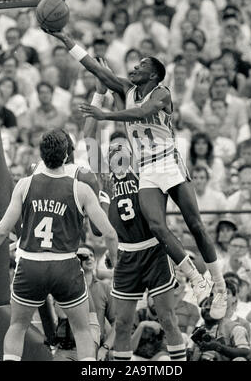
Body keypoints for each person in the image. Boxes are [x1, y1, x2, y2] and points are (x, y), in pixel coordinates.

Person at [43, 28, 228, 320]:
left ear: (153, 75)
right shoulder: (124, 91)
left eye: (141, 66)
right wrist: (65, 39)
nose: (134, 67)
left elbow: (141, 114)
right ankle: (195, 278)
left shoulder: (161, 93)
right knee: (156, 224)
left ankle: (220, 284)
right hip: (148, 169)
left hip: (169, 161)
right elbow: (93, 67)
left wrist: (106, 115)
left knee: (195, 224)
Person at [0, 129, 118, 361]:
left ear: (41, 155)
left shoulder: (24, 185)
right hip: (64, 265)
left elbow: (1, 230)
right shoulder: (81, 188)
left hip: (31, 264)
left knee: (16, 327)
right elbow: (108, 233)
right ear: (67, 156)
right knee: (83, 331)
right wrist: (115, 261)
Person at [82, 82, 189, 362]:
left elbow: (141, 122)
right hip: (127, 255)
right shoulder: (104, 177)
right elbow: (89, 134)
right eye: (112, 150)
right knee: (121, 324)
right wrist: (99, 93)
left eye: (121, 147)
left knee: (167, 319)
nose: (116, 152)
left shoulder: (145, 167)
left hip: (153, 250)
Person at [189, 281, 251, 361]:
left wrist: (217, 347)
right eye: (205, 305)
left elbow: (245, 352)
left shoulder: (235, 328)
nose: (208, 308)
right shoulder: (199, 329)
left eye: (212, 305)